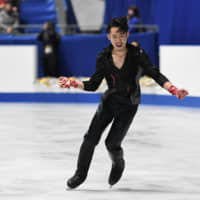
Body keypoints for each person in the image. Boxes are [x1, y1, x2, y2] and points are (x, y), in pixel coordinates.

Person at [58, 17, 188, 189]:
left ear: (127, 35)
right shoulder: (103, 57)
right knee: (90, 138)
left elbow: (155, 74)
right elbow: (93, 85)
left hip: (129, 105)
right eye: (114, 36)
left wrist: (173, 89)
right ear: (108, 37)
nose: (118, 40)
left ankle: (118, 164)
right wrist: (74, 83)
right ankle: (80, 175)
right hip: (109, 102)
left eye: (121, 35)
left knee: (111, 143)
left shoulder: (137, 54)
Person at [37, 21, 61, 86]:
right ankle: (47, 79)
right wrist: (43, 30)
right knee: (45, 66)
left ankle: (53, 80)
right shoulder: (44, 33)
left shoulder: (55, 34)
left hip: (53, 53)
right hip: (46, 53)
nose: (45, 26)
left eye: (46, 25)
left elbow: (57, 41)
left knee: (53, 66)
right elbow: (38, 38)